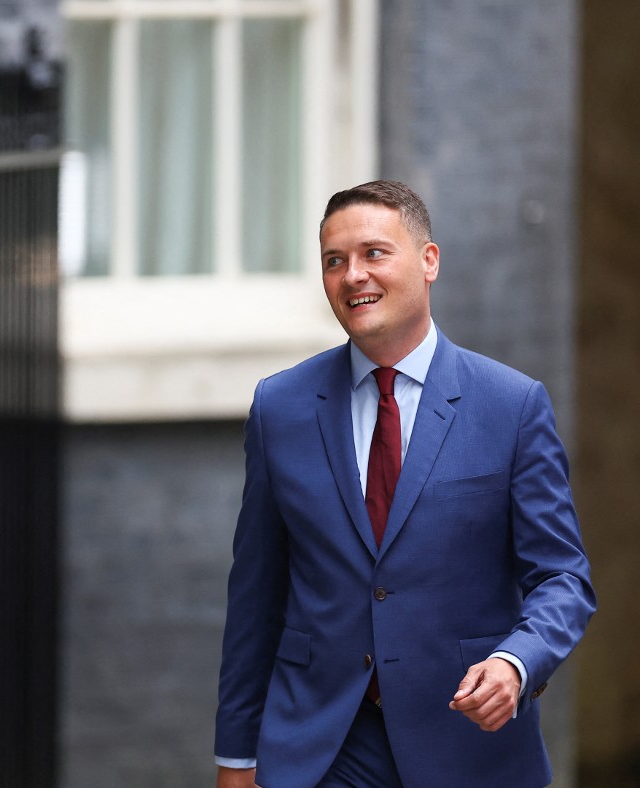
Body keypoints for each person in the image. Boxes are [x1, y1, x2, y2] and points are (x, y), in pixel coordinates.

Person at [214, 180, 595, 788]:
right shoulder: (279, 407)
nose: (353, 275)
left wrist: (516, 663)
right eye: (334, 261)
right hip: (322, 747)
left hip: (467, 744)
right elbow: (256, 597)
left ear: (429, 260)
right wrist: (236, 757)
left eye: (374, 253)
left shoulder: (512, 405)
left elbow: (562, 578)